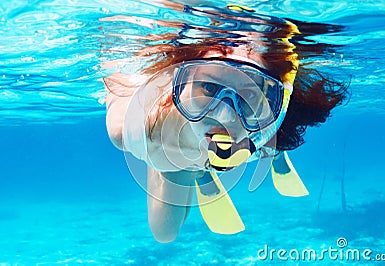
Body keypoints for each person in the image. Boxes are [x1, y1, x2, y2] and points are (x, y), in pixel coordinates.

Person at [104, 4, 349, 243]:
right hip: (174, 142)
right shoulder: (140, 125)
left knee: (272, 139)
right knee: (164, 232)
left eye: (249, 96)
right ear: (177, 83)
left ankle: (271, 153)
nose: (226, 117)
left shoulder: (267, 127)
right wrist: (174, 151)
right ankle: (198, 169)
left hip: (260, 138)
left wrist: (273, 142)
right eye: (209, 88)